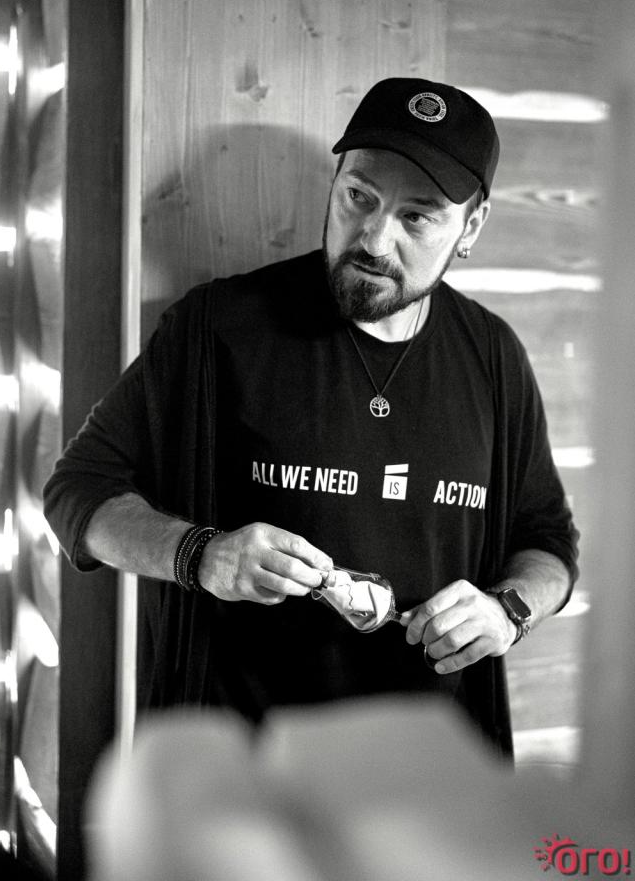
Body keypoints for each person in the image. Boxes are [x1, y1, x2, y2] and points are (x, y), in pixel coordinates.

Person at [43, 78, 578, 754]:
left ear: (469, 228)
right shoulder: (218, 327)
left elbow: (547, 541)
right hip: (237, 770)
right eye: (359, 197)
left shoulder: (493, 355)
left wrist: (508, 611)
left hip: (426, 772)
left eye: (417, 217)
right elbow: (76, 492)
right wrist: (200, 556)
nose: (374, 240)